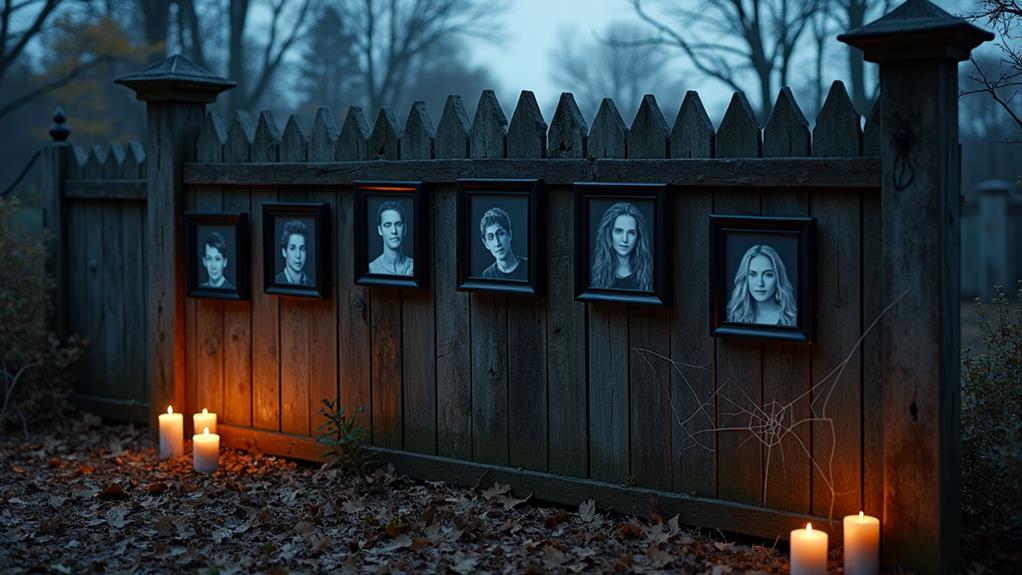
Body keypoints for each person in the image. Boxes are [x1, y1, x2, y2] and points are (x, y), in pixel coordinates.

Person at [726, 244, 797, 326]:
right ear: (744, 278)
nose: (760, 283)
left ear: (778, 278)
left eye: (768, 274)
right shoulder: (730, 316)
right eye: (752, 274)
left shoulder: (792, 320)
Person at [590, 202, 652, 291]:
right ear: (609, 234)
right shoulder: (594, 273)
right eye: (619, 231)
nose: (625, 239)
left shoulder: (649, 275)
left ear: (638, 237)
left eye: (631, 233)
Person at [478, 207, 527, 280]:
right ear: (486, 244)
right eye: (491, 237)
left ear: (509, 234)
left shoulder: (530, 267)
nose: (497, 243)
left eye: (500, 233)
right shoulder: (486, 276)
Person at [368, 200, 414, 275]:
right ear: (380, 230)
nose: (394, 231)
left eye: (398, 224)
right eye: (387, 225)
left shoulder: (414, 267)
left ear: (404, 229)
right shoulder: (371, 269)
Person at [275, 220, 311, 286]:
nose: (298, 255)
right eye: (292, 248)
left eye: (302, 249)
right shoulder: (276, 282)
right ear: (284, 252)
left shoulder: (310, 284)